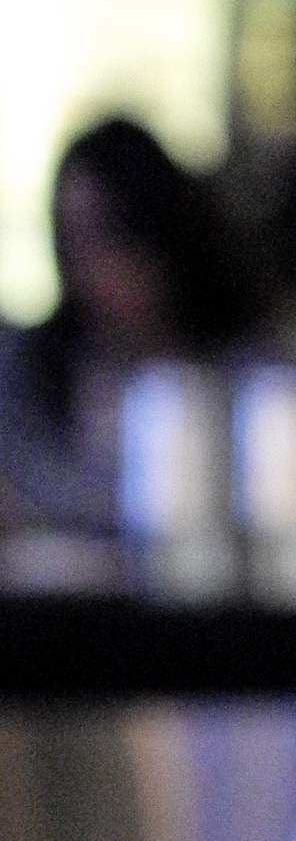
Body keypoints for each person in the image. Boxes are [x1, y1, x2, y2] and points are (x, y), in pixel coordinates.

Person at [0, 117, 255, 538]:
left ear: (158, 232)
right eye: (73, 241)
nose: (92, 267)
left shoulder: (250, 377)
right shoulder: (31, 368)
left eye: (108, 234)